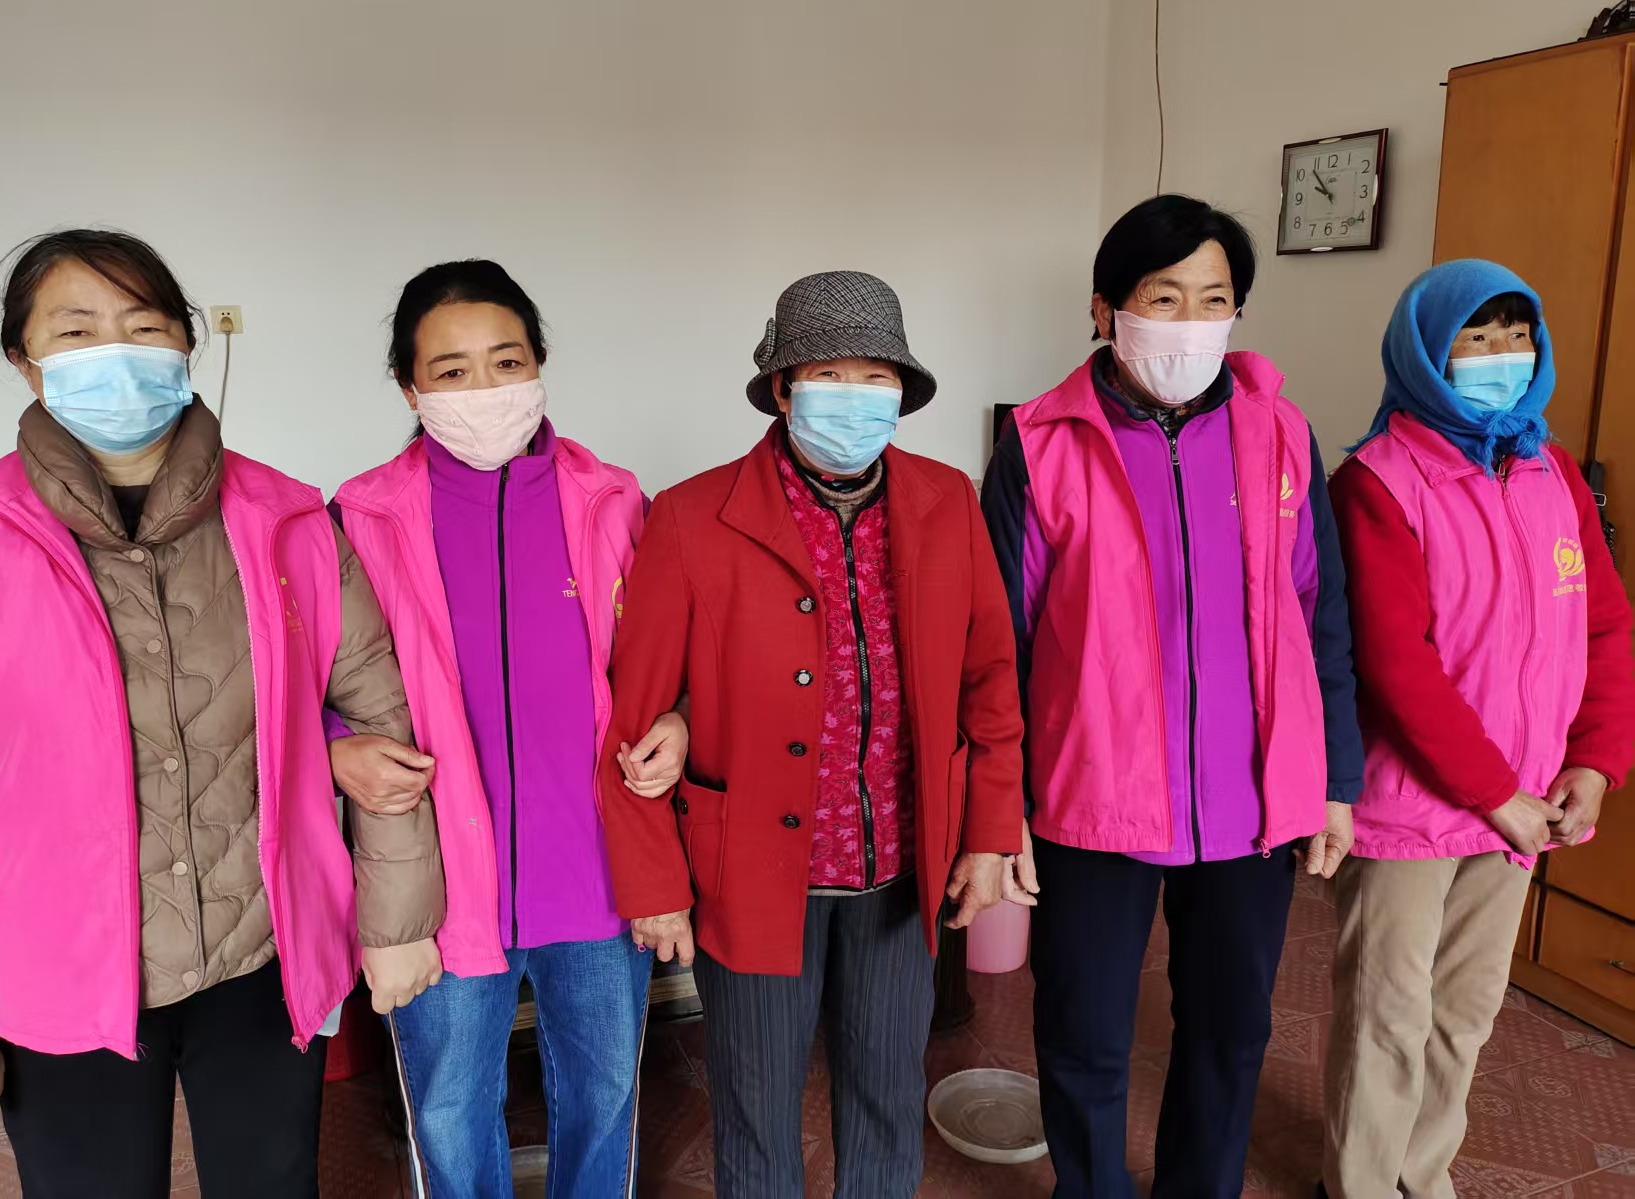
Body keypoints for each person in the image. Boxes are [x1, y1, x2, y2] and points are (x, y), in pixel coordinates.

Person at [0, 230, 445, 1199]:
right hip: (53, 973)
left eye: (144, 327)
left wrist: (396, 923)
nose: (115, 355)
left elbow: (383, 730)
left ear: (185, 342)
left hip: (262, 956)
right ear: (23, 359)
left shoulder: (287, 519)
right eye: (75, 332)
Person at [596, 271, 1027, 1198]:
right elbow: (634, 722)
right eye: (829, 374)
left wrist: (991, 833)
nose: (854, 395)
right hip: (752, 873)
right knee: (754, 1107)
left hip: (901, 869)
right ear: (784, 388)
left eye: (876, 377)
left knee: (887, 1094)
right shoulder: (690, 515)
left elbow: (990, 680)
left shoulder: (948, 500)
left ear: (902, 393)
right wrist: (656, 887)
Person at [981, 195, 1364, 1198]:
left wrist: (1333, 779)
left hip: (1249, 801)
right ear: (1104, 309)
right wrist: (1000, 802)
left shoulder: (1281, 434)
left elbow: (1320, 616)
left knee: (1230, 1030)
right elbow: (999, 646)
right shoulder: (1039, 444)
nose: (1190, 322)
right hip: (1090, 800)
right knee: (1083, 1030)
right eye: (1163, 297)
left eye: (1214, 298)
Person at [326, 259, 689, 1199]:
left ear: (539, 365)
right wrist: (335, 747)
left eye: (506, 360)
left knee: (604, 1095)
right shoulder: (361, 516)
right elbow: (314, 676)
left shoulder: (614, 500)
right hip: (443, 885)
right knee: (450, 1109)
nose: (484, 388)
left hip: (597, 871)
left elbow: (670, 660)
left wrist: (679, 720)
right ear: (409, 387)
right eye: (451, 371)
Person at [1321, 260, 1635, 1197]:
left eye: (1517, 334)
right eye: (1477, 336)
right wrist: (1496, 793)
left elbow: (1604, 625)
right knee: (1388, 1011)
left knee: (1465, 1010)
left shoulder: (1553, 472)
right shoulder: (1378, 481)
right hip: (1414, 808)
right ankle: (1360, 1183)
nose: (1503, 354)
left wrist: (1595, 762)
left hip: (1525, 803)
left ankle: (1424, 1175)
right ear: (1426, 350)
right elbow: (1396, 663)